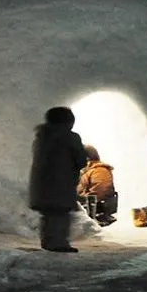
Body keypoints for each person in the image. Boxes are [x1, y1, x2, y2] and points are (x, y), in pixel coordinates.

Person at [28, 107, 87, 253]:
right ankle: (59, 243)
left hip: (42, 184)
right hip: (62, 183)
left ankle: (48, 241)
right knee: (60, 215)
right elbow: (81, 160)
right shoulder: (70, 138)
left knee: (48, 215)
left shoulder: (41, 137)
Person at [76, 144, 118, 225]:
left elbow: (99, 193)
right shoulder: (87, 170)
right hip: (86, 208)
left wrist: (78, 199)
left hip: (95, 210)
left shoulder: (99, 171)